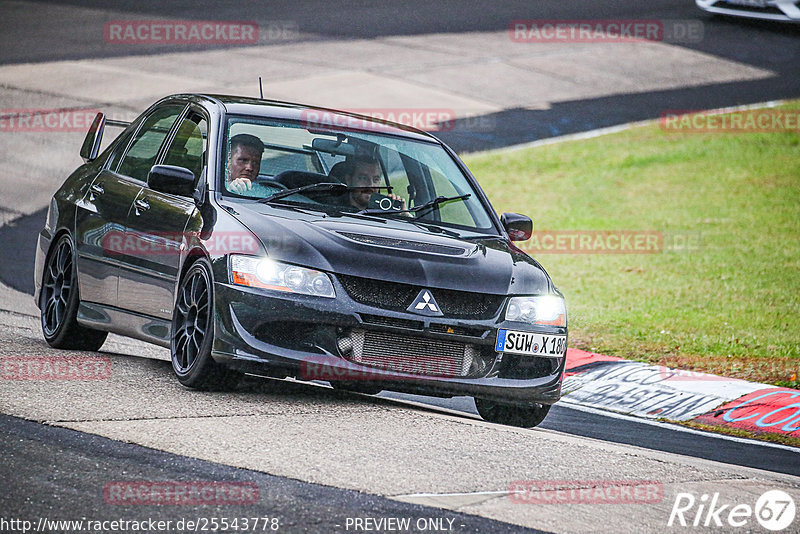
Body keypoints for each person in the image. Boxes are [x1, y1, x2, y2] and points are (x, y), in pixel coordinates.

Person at [341, 155, 406, 212]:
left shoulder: (384, 211)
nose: (371, 185)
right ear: (349, 180)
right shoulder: (334, 208)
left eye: (376, 179)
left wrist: (402, 216)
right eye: (364, 178)